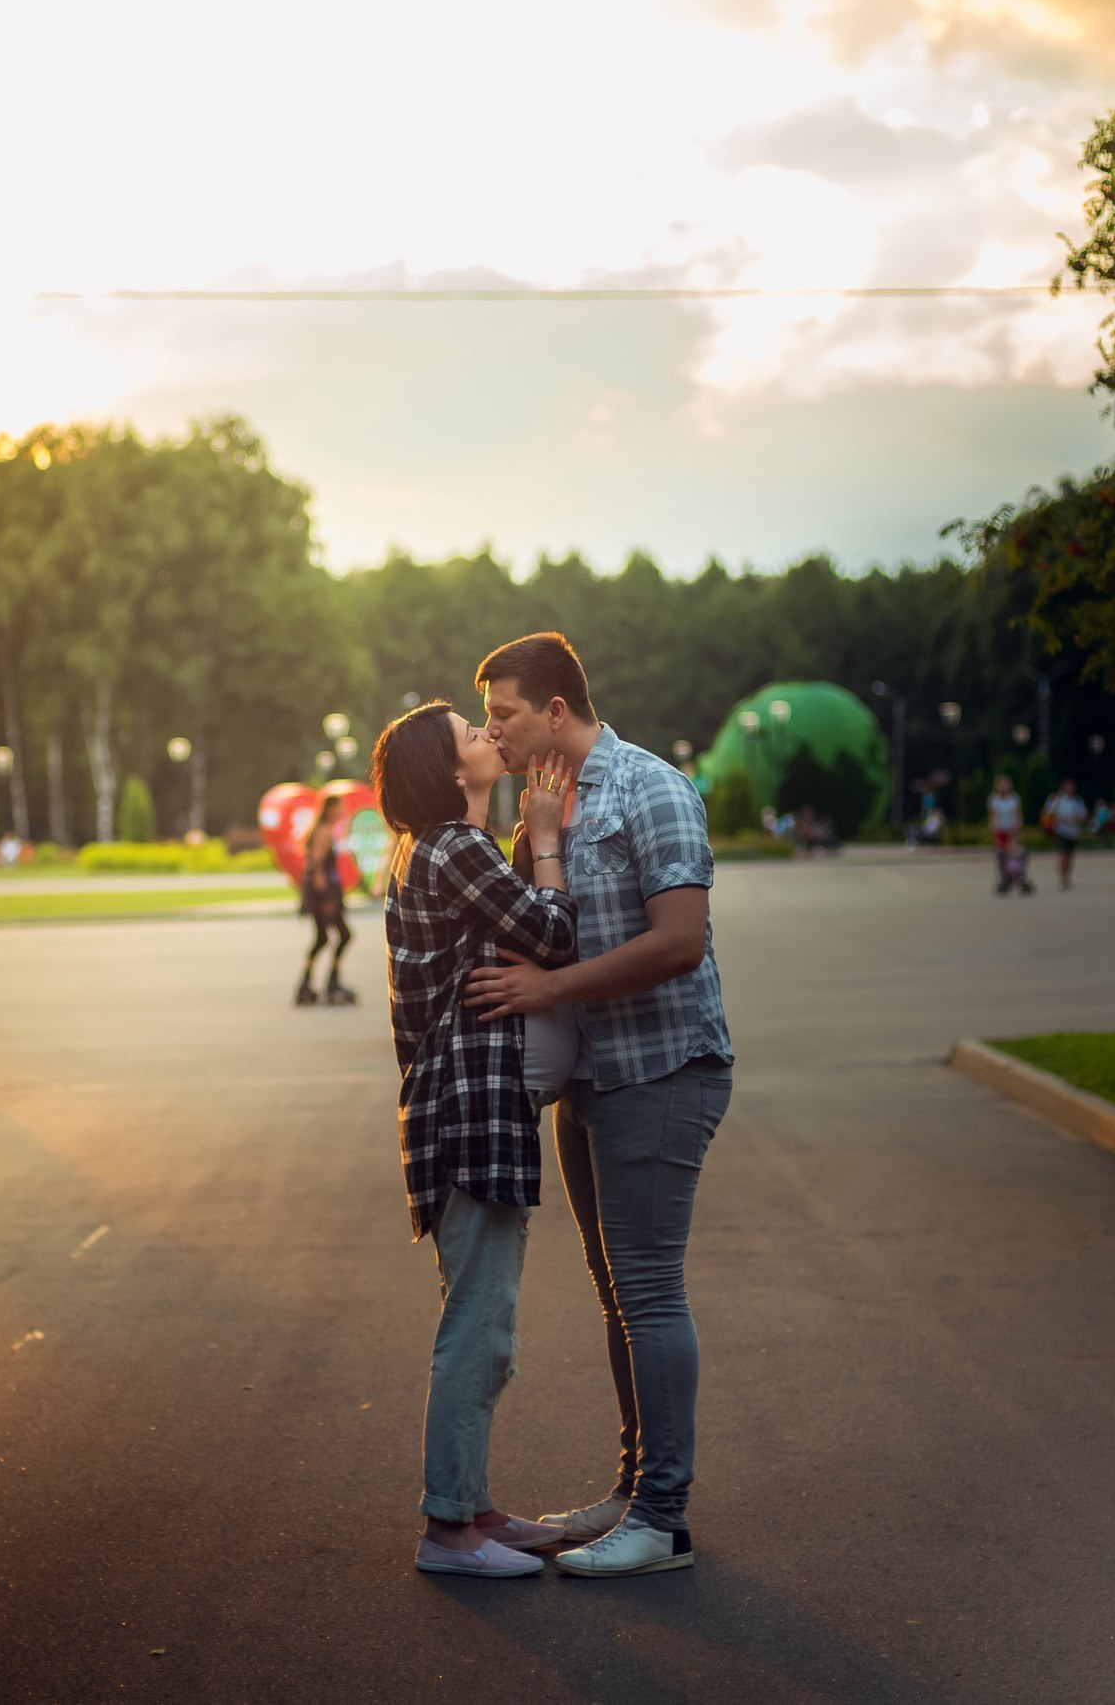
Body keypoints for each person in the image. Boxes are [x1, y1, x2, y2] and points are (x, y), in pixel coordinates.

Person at [467, 632, 734, 1580]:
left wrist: (553, 991)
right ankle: (634, 1487)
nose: (493, 728)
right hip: (589, 1083)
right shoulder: (552, 799)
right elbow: (532, 923)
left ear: (555, 710)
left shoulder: (648, 788)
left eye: (502, 712)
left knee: (650, 1287)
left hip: (663, 1070)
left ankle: (663, 1518)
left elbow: (679, 941)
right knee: (618, 1287)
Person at [372, 702, 579, 1580]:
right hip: (467, 1112)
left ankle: (475, 1506)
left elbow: (511, 915)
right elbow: (554, 934)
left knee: (485, 1318)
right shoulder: (453, 849)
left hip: (460, 1113)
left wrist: (522, 835)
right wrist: (548, 837)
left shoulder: (451, 849)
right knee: (477, 1324)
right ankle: (448, 1530)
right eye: (470, 733)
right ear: (450, 772)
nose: (489, 735)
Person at [295, 794, 354, 1005]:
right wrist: (327, 899)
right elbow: (317, 866)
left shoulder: (322, 829)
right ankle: (331, 982)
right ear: (329, 809)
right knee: (344, 935)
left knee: (322, 939)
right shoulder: (324, 832)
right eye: (339, 808)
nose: (342, 812)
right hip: (323, 895)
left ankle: (307, 983)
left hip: (320, 894)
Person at [1042, 778, 1088, 890]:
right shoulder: (1056, 799)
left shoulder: (1077, 800)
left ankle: (1067, 876)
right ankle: (1062, 876)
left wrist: (1075, 820)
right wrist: (1061, 819)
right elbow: (1048, 813)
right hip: (1061, 830)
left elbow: (1083, 815)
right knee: (1062, 853)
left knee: (1070, 855)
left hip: (1073, 832)